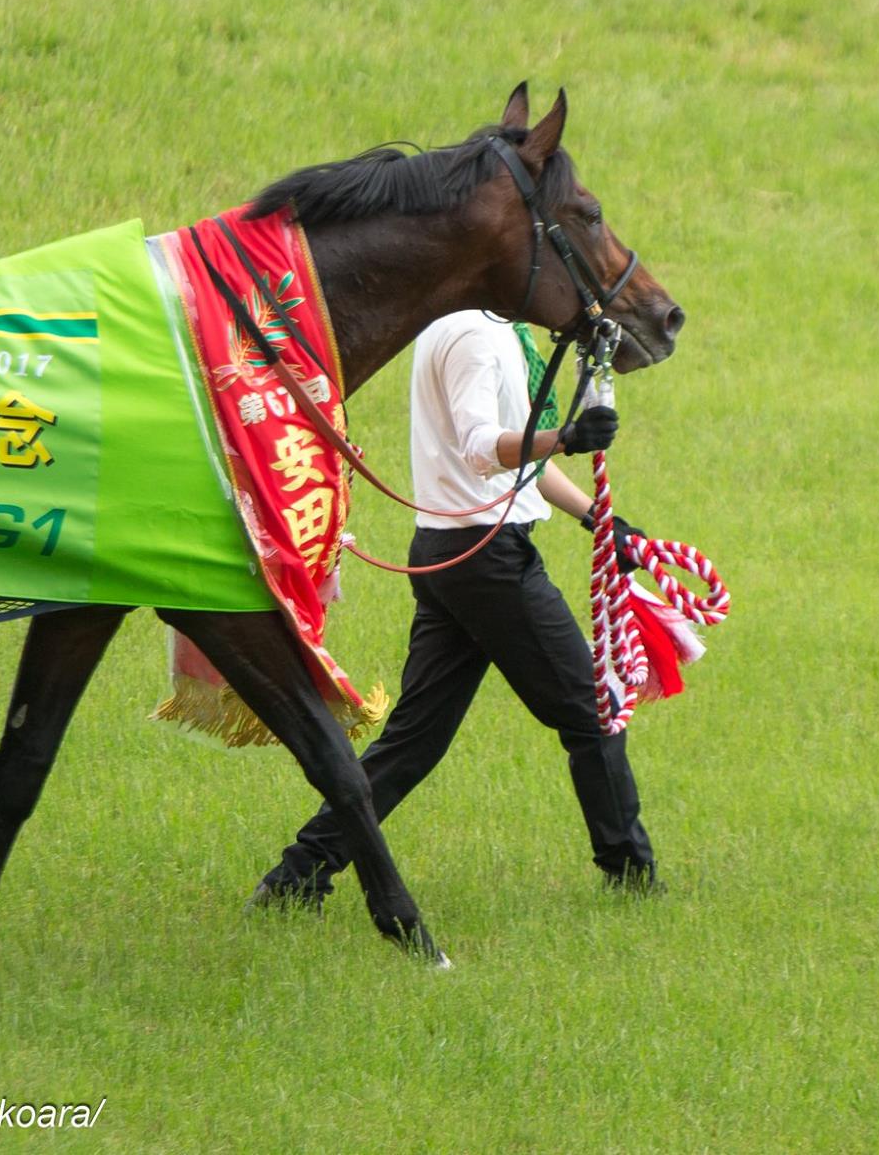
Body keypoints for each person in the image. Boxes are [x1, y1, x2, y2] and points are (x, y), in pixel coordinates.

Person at [250, 310, 659, 908]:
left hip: (449, 554)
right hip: (489, 560)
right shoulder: (476, 339)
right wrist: (565, 439)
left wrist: (601, 522)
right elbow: (481, 450)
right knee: (594, 715)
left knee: (414, 740)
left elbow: (522, 462)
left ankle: (298, 873)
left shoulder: (462, 326)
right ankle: (632, 877)